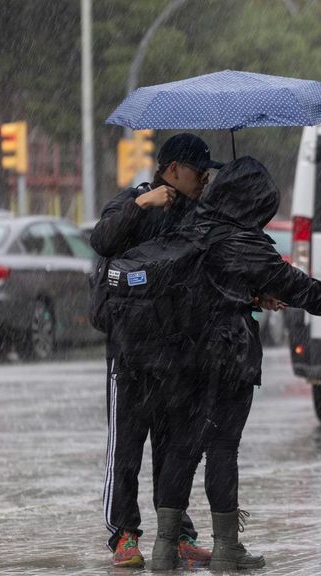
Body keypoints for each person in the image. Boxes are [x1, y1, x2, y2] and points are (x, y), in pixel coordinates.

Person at [145, 157, 321, 571]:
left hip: (180, 355)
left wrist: (247, 296)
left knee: (182, 446)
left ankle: (164, 547)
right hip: (226, 356)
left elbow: (204, 286)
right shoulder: (245, 244)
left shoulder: (189, 228)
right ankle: (226, 547)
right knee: (221, 449)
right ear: (253, 204)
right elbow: (297, 287)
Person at [91, 133, 222, 568]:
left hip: (177, 354)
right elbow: (103, 240)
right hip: (129, 356)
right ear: (172, 170)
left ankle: (177, 532)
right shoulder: (131, 204)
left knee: (174, 450)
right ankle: (124, 536)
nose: (205, 179)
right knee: (125, 450)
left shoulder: (197, 217)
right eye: (198, 171)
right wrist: (142, 205)